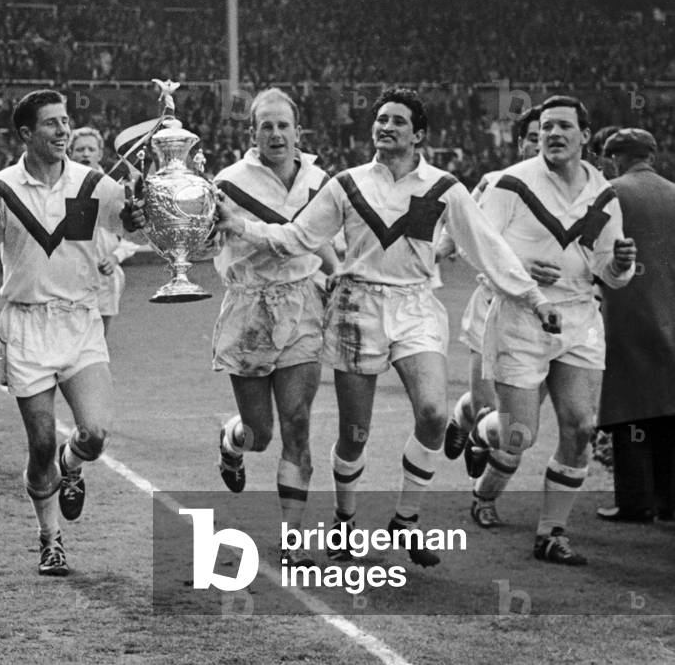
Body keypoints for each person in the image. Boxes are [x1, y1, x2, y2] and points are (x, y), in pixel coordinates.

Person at [214, 87, 557, 568]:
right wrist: (241, 226)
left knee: (435, 413)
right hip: (359, 308)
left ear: (418, 134)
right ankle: (344, 525)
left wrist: (534, 298)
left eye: (397, 121)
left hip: (416, 307)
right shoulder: (347, 184)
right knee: (356, 433)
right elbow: (297, 238)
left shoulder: (444, 187)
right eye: (380, 119)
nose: (385, 127)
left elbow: (488, 248)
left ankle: (406, 520)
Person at [0, 89, 142, 577]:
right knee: (39, 445)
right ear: (25, 134)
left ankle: (73, 461)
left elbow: (131, 226)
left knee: (96, 434)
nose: (63, 131)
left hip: (80, 322)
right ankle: (50, 538)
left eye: (66, 122)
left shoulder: (94, 183)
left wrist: (141, 214)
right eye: (51, 124)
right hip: (27, 326)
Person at [465, 96, 636, 565]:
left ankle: (551, 533)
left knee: (581, 428)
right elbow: (478, 250)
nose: (553, 134)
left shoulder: (603, 195)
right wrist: (519, 268)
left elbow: (607, 268)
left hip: (579, 319)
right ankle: (481, 450)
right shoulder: (511, 184)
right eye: (545, 128)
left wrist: (621, 265)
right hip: (521, 318)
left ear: (585, 135)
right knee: (518, 436)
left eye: (563, 126)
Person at [210, 88, 337, 565]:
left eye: (284, 125)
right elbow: (208, 244)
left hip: (303, 304)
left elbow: (321, 239)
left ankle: (293, 537)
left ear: (298, 132)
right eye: (267, 126)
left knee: (298, 423)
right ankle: (232, 440)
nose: (276, 134)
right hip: (249, 308)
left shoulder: (320, 180)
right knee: (261, 433)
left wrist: (338, 270)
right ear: (253, 133)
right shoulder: (227, 183)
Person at [442, 107, 543, 475]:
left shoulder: (574, 191)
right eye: (532, 137)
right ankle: (464, 415)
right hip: (493, 304)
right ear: (520, 144)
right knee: (485, 405)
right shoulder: (495, 182)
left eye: (544, 135)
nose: (539, 144)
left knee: (515, 419)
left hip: (544, 317)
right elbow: (462, 229)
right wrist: (441, 250)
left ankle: (484, 451)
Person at [596, 128, 675, 522]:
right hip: (670, 314)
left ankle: (635, 500)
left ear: (618, 158)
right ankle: (669, 501)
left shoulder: (610, 192)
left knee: (628, 407)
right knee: (667, 407)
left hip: (624, 313)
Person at [67, 127, 139, 335]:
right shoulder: (60, 186)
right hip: (69, 275)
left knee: (98, 340)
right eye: (80, 149)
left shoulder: (114, 187)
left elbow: (133, 229)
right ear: (70, 153)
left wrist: (116, 257)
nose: (86, 154)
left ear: (100, 153)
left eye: (91, 149)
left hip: (104, 273)